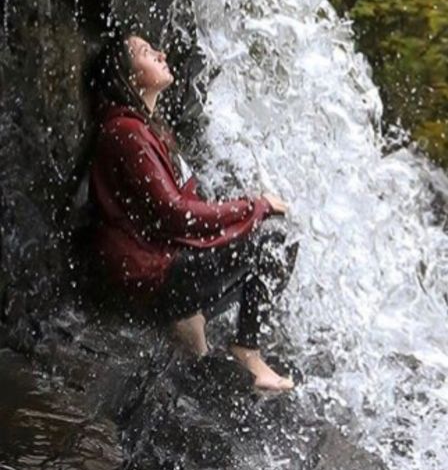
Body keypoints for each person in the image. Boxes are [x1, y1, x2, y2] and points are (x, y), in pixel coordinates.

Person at [87, 34, 298, 392]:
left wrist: (239, 218)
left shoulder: (146, 129)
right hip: (153, 280)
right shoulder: (125, 132)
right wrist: (254, 207)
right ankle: (245, 348)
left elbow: (186, 204)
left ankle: (194, 324)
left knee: (262, 233)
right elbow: (174, 213)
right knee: (277, 239)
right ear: (127, 75)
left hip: (164, 266)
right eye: (145, 52)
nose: (160, 52)